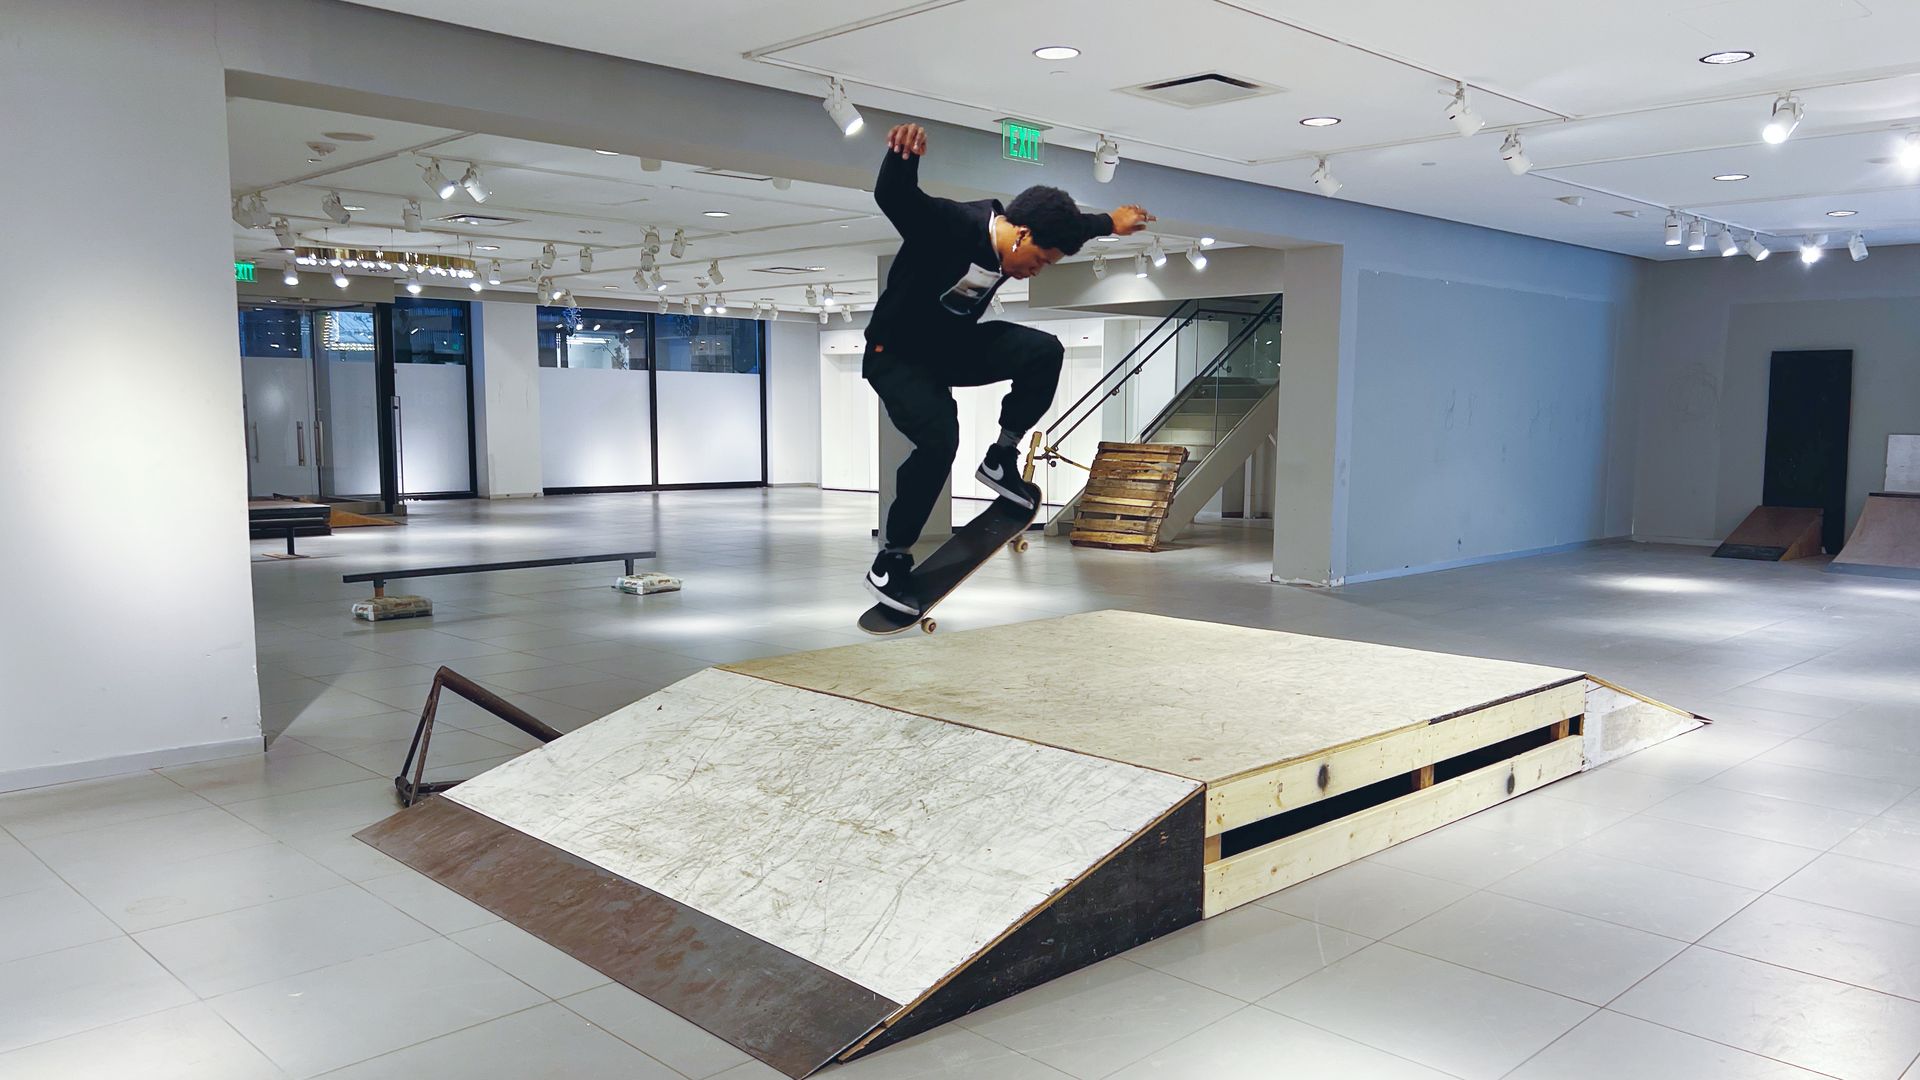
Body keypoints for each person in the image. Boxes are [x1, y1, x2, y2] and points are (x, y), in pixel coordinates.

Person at [862, 122, 1154, 615]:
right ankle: (891, 559)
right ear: (1020, 234)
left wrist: (1113, 221)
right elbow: (893, 194)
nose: (1036, 270)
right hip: (896, 357)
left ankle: (1001, 458)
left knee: (1044, 350)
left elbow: (1078, 226)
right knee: (940, 441)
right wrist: (902, 155)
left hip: (951, 346)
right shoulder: (950, 225)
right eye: (1038, 260)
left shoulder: (1037, 227)